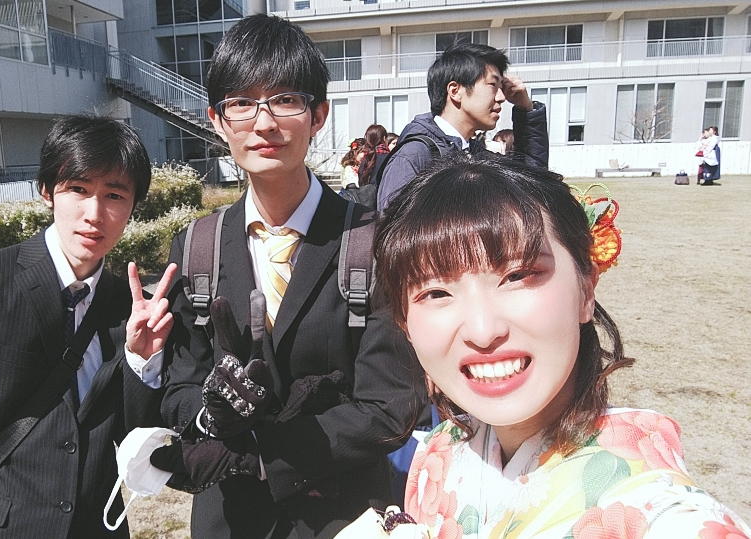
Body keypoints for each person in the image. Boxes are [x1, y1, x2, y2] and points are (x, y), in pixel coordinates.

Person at [367, 156, 751, 537]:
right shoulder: (438, 454)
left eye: (518, 275)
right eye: (436, 292)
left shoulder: (667, 518)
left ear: (586, 288)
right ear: (404, 323)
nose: (483, 331)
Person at [157, 14, 424, 539]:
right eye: (241, 103)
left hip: (343, 517)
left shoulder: (373, 242)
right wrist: (211, 413)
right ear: (217, 120)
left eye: (284, 100)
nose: (263, 123)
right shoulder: (196, 248)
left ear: (318, 114)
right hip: (229, 521)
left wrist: (261, 455)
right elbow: (179, 384)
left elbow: (390, 405)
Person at [0, 115, 178, 538]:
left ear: (133, 206)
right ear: (46, 191)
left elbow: (133, 434)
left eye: (114, 195)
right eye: (78, 189)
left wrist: (142, 360)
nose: (94, 214)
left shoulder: (128, 306)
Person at [375, 43, 549, 212]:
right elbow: (392, 226)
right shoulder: (415, 155)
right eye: (493, 85)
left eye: (501, 87)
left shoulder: (477, 154)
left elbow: (533, 186)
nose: (502, 97)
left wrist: (526, 109)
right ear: (455, 91)